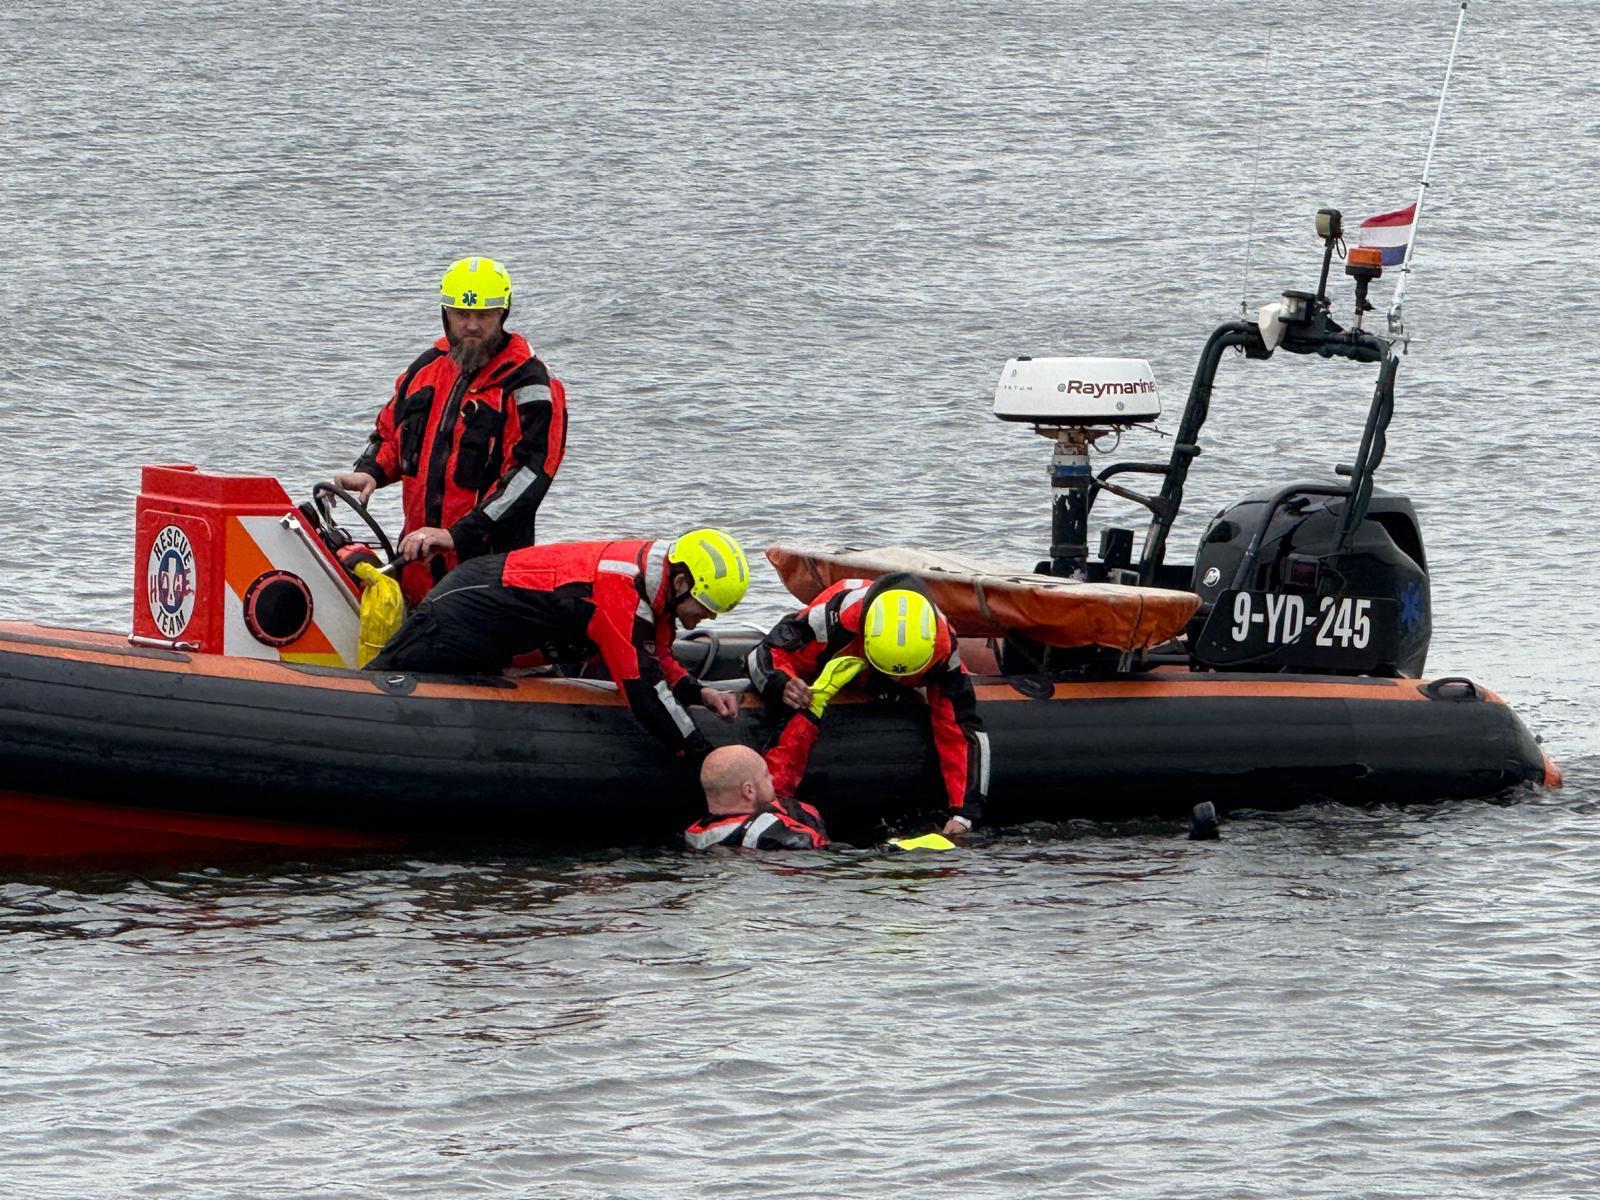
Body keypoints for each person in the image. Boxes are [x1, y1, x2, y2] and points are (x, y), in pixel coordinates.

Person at [368, 528, 748, 760]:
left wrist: (698, 692)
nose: (709, 619)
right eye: (707, 608)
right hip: (461, 609)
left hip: (499, 622)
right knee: (380, 682)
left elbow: (657, 653)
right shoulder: (622, 594)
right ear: (682, 584)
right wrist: (703, 756)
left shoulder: (657, 583)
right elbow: (643, 690)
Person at [334, 256, 568, 606]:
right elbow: (391, 433)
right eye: (461, 314)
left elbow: (527, 479)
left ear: (502, 314)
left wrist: (456, 536)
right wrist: (370, 472)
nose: (471, 326)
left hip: (486, 569)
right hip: (416, 560)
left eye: (483, 316)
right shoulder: (427, 367)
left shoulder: (530, 386)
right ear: (446, 313)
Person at [747, 575, 988, 837]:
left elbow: (960, 726)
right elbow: (766, 654)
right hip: (836, 654)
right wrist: (781, 683)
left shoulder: (943, 647)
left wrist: (965, 813)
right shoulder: (828, 622)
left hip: (891, 672)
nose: (895, 680)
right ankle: (769, 800)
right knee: (801, 702)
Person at [684, 745, 829, 850]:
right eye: (766, 775)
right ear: (749, 791)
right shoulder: (773, 833)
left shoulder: (695, 835)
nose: (771, 777)